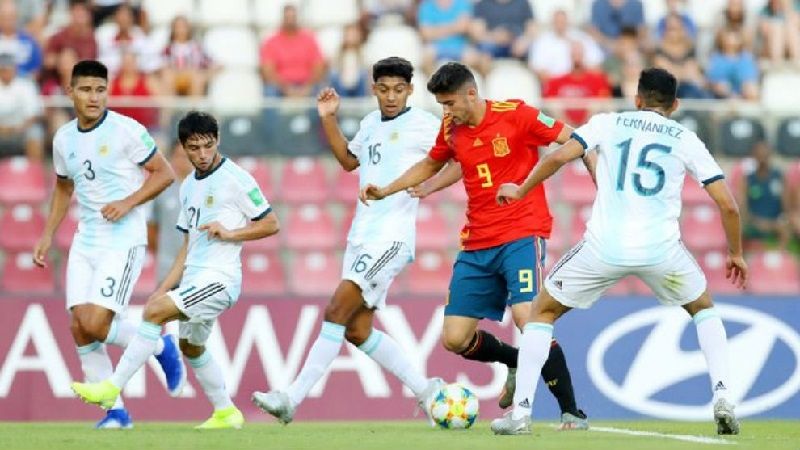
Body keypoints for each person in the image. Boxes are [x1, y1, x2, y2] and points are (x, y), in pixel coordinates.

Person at [490, 67, 746, 436]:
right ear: (674, 104)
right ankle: (723, 396)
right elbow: (729, 205)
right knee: (703, 308)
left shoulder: (609, 122)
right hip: (661, 252)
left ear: (637, 98)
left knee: (541, 312)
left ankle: (521, 414)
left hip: (603, 248)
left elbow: (560, 157)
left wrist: (521, 188)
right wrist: (735, 253)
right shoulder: (685, 138)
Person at [360, 62, 589, 429]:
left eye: (450, 103)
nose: (445, 112)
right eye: (441, 105)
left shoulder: (516, 114)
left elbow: (574, 140)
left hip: (521, 231)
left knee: (526, 318)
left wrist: (594, 172)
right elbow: (435, 163)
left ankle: (571, 411)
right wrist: (389, 189)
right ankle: (516, 360)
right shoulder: (452, 127)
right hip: (477, 241)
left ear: (471, 93)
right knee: (455, 338)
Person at [252, 57, 445, 426]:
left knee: (335, 311)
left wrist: (431, 185)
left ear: (410, 90)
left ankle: (291, 397)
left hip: (391, 237)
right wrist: (328, 118)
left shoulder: (424, 124)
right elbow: (347, 161)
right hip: (362, 235)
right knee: (357, 330)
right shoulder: (371, 123)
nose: (391, 97)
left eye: (399, 90)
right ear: (374, 89)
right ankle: (428, 392)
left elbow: (455, 157)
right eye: (384, 89)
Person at [71, 111, 281, 430]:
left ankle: (111, 387)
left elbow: (271, 223)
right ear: (183, 147)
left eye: (208, 146)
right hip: (195, 279)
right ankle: (226, 413)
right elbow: (188, 247)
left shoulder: (236, 179)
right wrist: (164, 287)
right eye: (194, 148)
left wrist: (232, 233)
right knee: (191, 347)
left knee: (153, 314)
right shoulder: (187, 187)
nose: (202, 154)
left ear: (217, 141)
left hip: (220, 280)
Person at [32, 60, 182, 429]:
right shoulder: (63, 138)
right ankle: (116, 413)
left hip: (123, 238)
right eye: (85, 89)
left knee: (97, 324)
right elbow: (64, 186)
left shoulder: (126, 130)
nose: (94, 97)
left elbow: (166, 173)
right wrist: (48, 233)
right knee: (79, 327)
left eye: (100, 89)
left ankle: (160, 346)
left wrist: (129, 202)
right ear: (70, 93)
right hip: (87, 239)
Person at [739, 141, 791, 249]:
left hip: (775, 222)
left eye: (765, 155)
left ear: (770, 155)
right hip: (754, 222)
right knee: (739, 230)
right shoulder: (747, 180)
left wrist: (780, 221)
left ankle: (777, 259)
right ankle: (746, 260)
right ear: (754, 156)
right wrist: (755, 221)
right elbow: (743, 208)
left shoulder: (779, 177)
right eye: (759, 155)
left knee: (785, 230)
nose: (762, 158)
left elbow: (786, 206)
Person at [0, 51, 44, 162]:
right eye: (3, 69)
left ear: (14, 69)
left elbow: (33, 115)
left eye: (9, 68)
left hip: (22, 129)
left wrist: (18, 128)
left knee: (35, 133)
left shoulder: (26, 85)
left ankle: (35, 175)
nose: (6, 72)